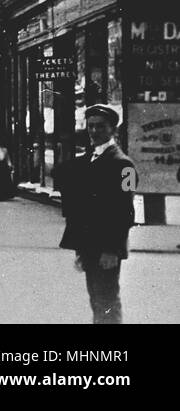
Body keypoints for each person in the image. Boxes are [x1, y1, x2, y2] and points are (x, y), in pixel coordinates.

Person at [55, 105, 135, 324]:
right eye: (90, 126)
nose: (94, 131)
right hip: (89, 243)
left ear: (113, 130)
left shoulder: (124, 165)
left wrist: (112, 249)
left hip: (107, 246)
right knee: (96, 298)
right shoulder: (89, 159)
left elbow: (126, 212)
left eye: (101, 126)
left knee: (107, 300)